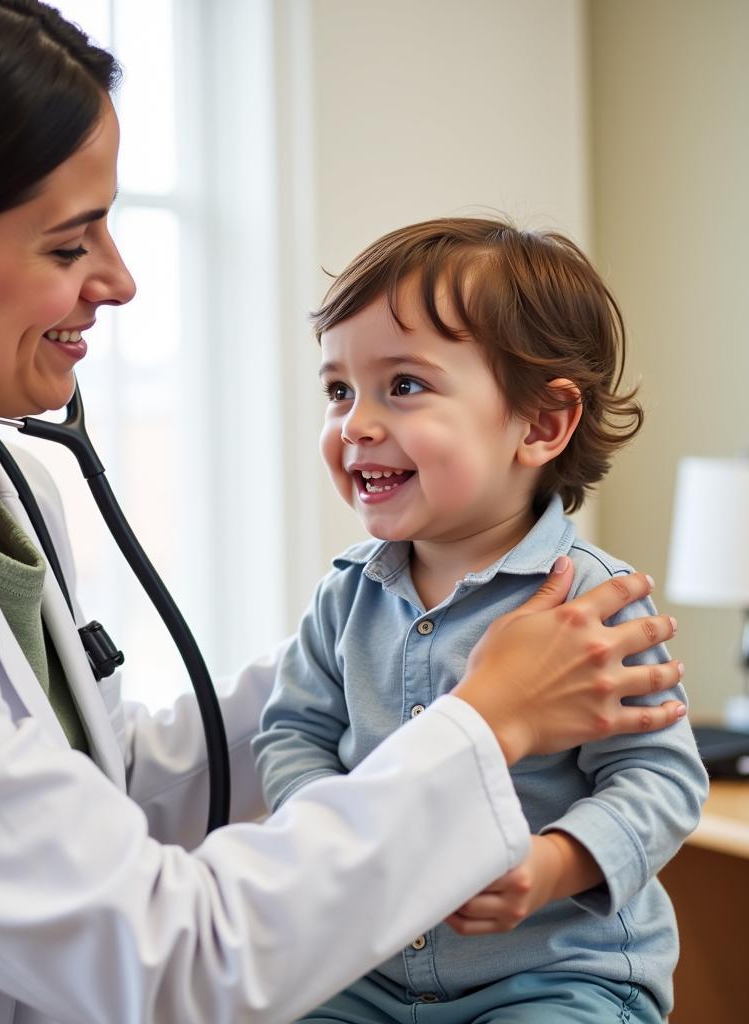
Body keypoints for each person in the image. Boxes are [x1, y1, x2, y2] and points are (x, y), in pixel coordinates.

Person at [0, 4, 688, 1023]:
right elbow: (167, 957)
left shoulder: (9, 495)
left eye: (108, 222)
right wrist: (483, 713)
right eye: (67, 244)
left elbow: (87, 784)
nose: (121, 279)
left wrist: (411, 653)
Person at [253, 218, 708, 1023]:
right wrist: (335, 841)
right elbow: (293, 734)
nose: (355, 422)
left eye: (403, 385)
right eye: (337, 390)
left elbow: (659, 778)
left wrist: (553, 864)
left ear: (540, 424)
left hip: (555, 977)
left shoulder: (593, 607)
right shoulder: (344, 596)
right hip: (366, 974)